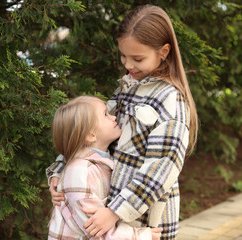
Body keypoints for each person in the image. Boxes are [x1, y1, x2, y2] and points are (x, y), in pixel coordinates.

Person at [46, 4, 198, 239]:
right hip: (110, 218)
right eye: (123, 56)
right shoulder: (128, 87)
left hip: (144, 221)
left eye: (137, 58)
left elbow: (160, 168)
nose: (128, 65)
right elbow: (88, 129)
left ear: (164, 51)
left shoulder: (170, 101)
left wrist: (116, 211)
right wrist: (60, 170)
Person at [47, 95, 162, 240]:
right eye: (105, 115)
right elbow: (94, 227)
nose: (113, 117)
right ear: (90, 135)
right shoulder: (80, 172)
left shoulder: (105, 160)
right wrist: (141, 236)